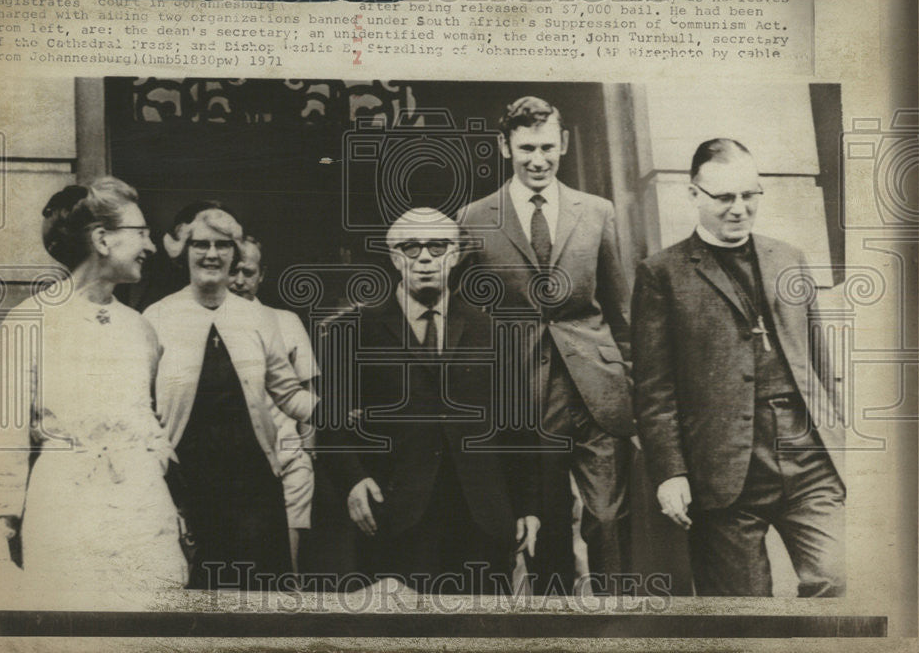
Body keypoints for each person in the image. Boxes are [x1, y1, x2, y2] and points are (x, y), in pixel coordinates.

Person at [631, 138, 846, 597]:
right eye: (724, 197)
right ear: (693, 195)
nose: (739, 209)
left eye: (749, 195)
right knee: (743, 613)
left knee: (837, 579)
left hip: (805, 453)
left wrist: (841, 436)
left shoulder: (788, 258)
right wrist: (671, 471)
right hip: (723, 470)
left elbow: (821, 363)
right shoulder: (662, 274)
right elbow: (654, 390)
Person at [0, 177, 188, 594]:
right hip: (66, 520)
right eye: (140, 233)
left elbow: (151, 427)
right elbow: (4, 439)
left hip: (145, 521)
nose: (151, 245)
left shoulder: (142, 330)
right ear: (103, 239)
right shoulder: (29, 323)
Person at [457, 96, 634, 594]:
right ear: (504, 146)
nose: (538, 160)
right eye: (526, 148)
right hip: (524, 397)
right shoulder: (473, 219)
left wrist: (631, 383)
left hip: (597, 390)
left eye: (548, 147)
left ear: (565, 145)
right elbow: (467, 321)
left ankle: (618, 624)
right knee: (547, 525)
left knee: (608, 517)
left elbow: (621, 311)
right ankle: (555, 629)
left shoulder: (597, 212)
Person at [318, 208, 540, 595]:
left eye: (437, 247)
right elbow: (330, 423)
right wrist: (353, 480)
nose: (424, 257)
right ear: (393, 257)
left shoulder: (494, 332)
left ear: (454, 255)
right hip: (393, 513)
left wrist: (527, 506)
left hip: (480, 518)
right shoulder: (350, 332)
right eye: (410, 247)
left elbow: (519, 427)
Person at [143, 204, 317, 591]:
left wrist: (337, 412)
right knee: (198, 593)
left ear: (235, 254)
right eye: (200, 244)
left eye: (222, 245)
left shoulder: (258, 318)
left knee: (260, 593)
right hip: (188, 481)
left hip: (252, 480)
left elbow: (288, 393)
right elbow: (143, 404)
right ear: (182, 251)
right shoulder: (157, 317)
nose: (211, 254)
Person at [228, 235, 318, 574]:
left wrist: (308, 455)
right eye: (232, 271)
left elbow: (307, 390)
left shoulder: (286, 322)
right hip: (235, 465)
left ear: (261, 275)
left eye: (247, 272)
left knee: (288, 569)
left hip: (289, 459)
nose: (238, 281)